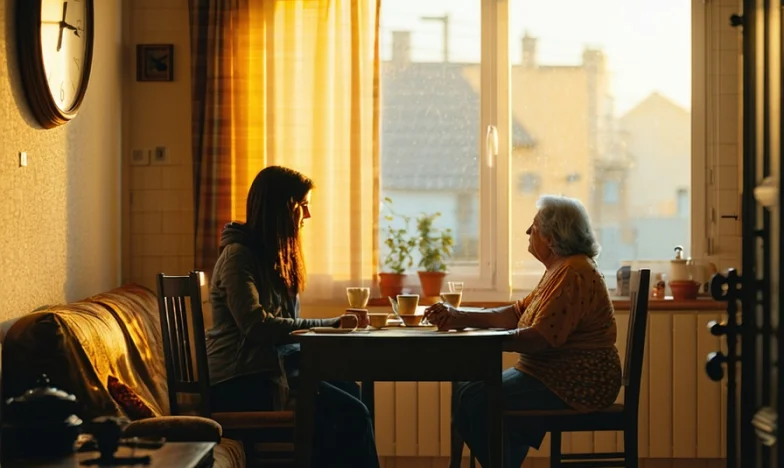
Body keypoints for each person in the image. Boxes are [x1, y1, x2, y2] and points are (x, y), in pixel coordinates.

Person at [425, 195, 622, 468]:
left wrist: (486, 339)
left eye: (535, 226)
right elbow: (515, 314)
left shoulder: (573, 271)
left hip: (578, 381)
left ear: (553, 237)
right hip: (549, 375)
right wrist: (459, 316)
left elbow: (539, 339)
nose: (529, 232)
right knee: (466, 391)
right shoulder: (561, 268)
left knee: (475, 399)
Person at [206, 165, 379, 468]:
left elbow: (281, 328)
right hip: (241, 381)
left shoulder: (270, 256)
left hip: (267, 370)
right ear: (281, 209)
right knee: (352, 414)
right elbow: (256, 326)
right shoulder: (238, 256)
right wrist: (331, 325)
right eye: (303, 206)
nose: (307, 216)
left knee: (352, 392)